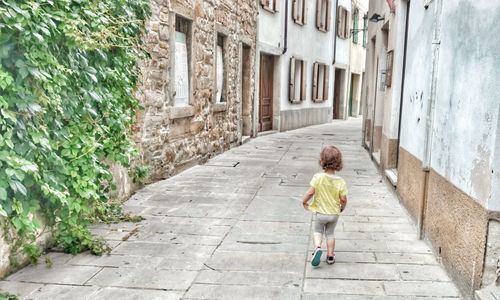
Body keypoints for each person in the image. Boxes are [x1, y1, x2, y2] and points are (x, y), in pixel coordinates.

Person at [302, 145, 348, 266]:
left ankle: (317, 247)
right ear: (339, 162)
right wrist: (342, 207)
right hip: (333, 214)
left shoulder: (318, 177)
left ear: (322, 161)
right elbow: (343, 199)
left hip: (320, 213)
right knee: (330, 234)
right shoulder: (340, 181)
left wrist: (304, 201)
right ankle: (330, 256)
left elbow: (310, 192)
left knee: (318, 231)